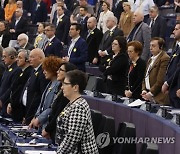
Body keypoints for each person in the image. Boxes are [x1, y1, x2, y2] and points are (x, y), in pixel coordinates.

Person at [56, 70, 98, 153]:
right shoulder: (72, 103)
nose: (62, 87)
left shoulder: (79, 107)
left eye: (65, 84)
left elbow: (72, 139)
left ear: (75, 87)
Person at [42, 62, 77, 141]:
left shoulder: (68, 95)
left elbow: (58, 113)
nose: (57, 72)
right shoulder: (59, 89)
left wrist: (48, 129)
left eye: (60, 70)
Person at [29, 56, 62, 130]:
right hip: (42, 125)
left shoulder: (59, 86)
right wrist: (36, 117)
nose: (44, 72)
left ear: (53, 69)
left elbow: (53, 106)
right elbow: (42, 103)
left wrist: (39, 119)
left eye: (46, 69)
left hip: (48, 125)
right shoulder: (49, 83)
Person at [21, 48, 49, 124]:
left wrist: (36, 116)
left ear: (40, 58)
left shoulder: (43, 73)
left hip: (35, 114)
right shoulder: (34, 70)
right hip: (28, 111)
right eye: (29, 57)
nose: (29, 59)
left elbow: (42, 95)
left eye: (32, 57)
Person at [6, 49, 33, 122]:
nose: (17, 59)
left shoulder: (29, 72)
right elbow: (13, 89)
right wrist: (10, 102)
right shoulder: (20, 72)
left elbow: (20, 92)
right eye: (17, 57)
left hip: (21, 110)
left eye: (20, 57)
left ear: (27, 59)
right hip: (14, 108)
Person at [142, 37, 170, 105]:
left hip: (159, 97)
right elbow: (145, 76)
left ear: (161, 47)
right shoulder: (150, 59)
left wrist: (151, 93)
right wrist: (144, 89)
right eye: (150, 45)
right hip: (149, 95)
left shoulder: (164, 58)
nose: (151, 48)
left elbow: (160, 80)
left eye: (153, 46)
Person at [162, 23, 180, 108]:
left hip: (177, 87)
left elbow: (178, 69)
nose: (173, 31)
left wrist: (167, 83)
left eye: (176, 29)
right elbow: (169, 67)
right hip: (172, 88)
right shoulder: (176, 47)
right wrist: (166, 81)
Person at [0, 47, 21, 116]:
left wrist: (2, 99)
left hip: (7, 104)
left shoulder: (17, 69)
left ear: (12, 57)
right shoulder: (8, 68)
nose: (3, 59)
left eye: (5, 56)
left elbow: (12, 87)